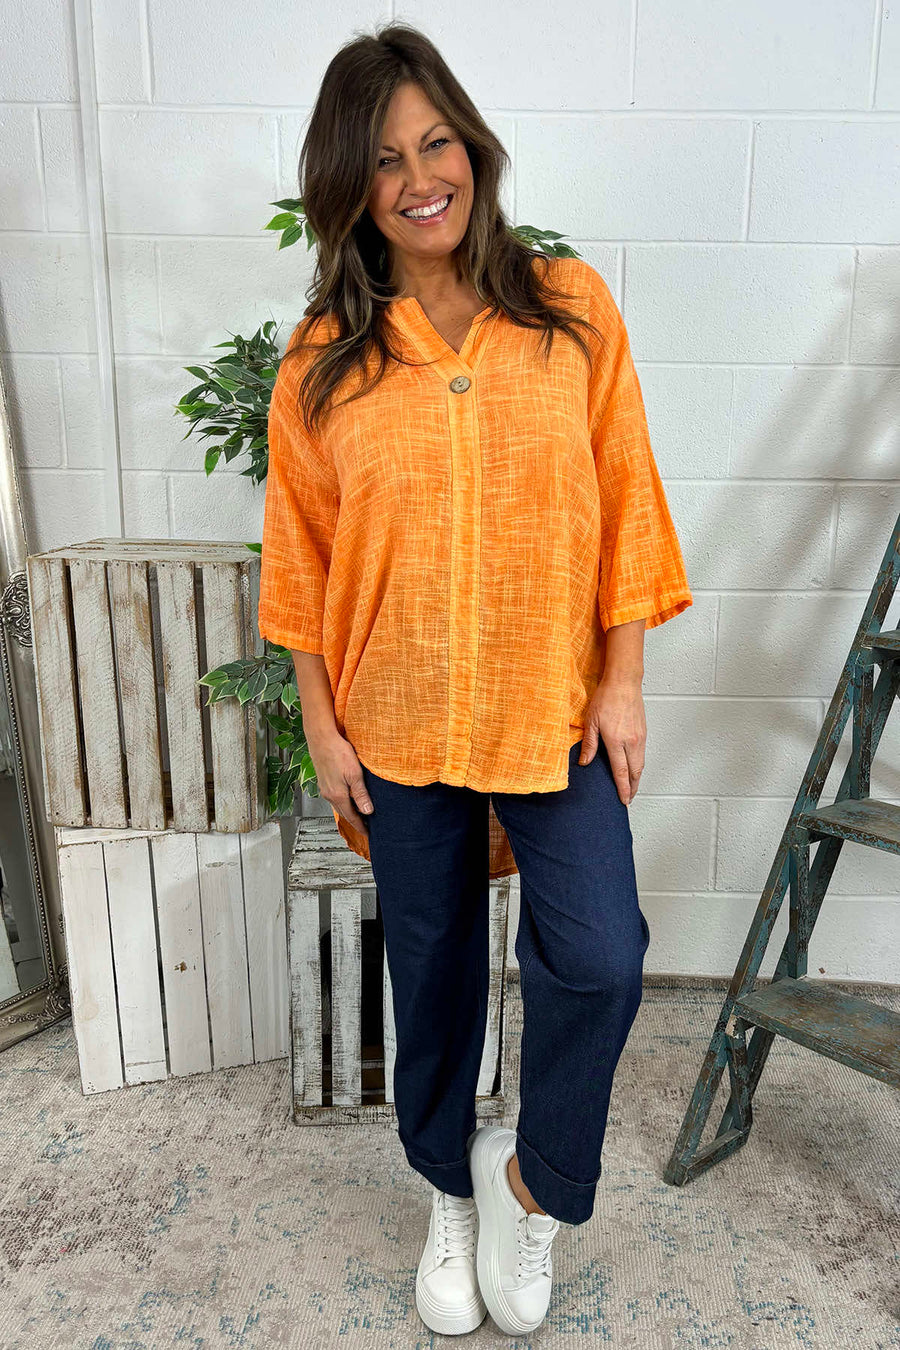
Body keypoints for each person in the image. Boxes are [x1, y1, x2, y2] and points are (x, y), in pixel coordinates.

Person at [257, 22, 693, 1340]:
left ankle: (531, 1187)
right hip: (395, 721)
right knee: (435, 973)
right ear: (351, 188)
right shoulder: (323, 356)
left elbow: (626, 499)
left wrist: (623, 680)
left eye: (434, 141)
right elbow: (301, 559)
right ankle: (447, 1191)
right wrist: (322, 724)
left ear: (473, 147)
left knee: (601, 957)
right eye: (385, 160)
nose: (419, 178)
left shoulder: (569, 307)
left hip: (553, 707)